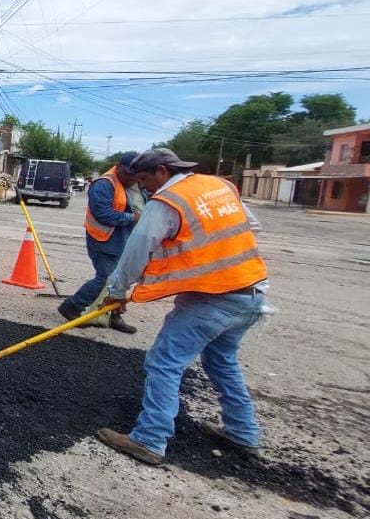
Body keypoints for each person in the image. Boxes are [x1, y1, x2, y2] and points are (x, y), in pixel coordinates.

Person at [95, 148, 269, 466]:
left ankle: (149, 440)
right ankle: (243, 432)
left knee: (164, 361)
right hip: (252, 292)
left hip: (212, 298)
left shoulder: (168, 200)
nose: (142, 186)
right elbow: (250, 228)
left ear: (162, 171)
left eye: (145, 179)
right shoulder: (219, 187)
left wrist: (117, 291)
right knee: (222, 362)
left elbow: (138, 249)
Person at [58, 152, 142, 333]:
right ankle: (72, 306)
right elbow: (102, 213)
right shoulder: (104, 184)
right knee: (105, 279)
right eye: (128, 173)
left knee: (118, 281)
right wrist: (131, 217)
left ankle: (112, 315)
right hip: (104, 240)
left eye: (136, 174)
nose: (132, 178)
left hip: (123, 240)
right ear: (118, 166)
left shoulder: (133, 186)